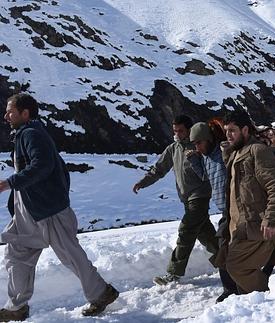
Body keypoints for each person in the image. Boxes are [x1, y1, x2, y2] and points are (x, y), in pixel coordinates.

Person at [0, 94, 118, 321]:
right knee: (16, 253)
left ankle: (101, 293)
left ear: (25, 113)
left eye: (10, 111)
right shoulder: (26, 134)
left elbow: (42, 165)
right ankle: (17, 307)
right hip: (31, 212)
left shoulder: (32, 134)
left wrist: (9, 184)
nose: (6, 116)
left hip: (49, 212)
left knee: (71, 256)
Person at [214, 110, 275, 294]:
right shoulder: (236, 152)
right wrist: (227, 150)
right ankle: (254, 306)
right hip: (240, 226)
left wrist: (272, 219)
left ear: (245, 130)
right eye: (226, 130)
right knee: (235, 266)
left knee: (236, 265)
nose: (228, 134)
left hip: (258, 226)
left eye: (232, 130)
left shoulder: (258, 151)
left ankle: (272, 296)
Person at [133, 115, 219, 285]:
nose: (178, 134)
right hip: (186, 199)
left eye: (181, 130)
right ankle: (231, 259)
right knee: (207, 235)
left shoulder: (199, 146)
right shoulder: (173, 149)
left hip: (200, 196)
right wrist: (143, 182)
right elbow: (159, 169)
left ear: (189, 130)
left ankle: (173, 273)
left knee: (186, 231)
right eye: (175, 131)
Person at [188, 121, 237, 302]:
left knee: (224, 248)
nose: (197, 147)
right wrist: (194, 160)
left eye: (198, 143)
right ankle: (233, 287)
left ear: (208, 140)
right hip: (225, 209)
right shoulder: (206, 157)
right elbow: (205, 176)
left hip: (237, 208)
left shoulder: (223, 152)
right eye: (194, 144)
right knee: (225, 248)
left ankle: (231, 289)